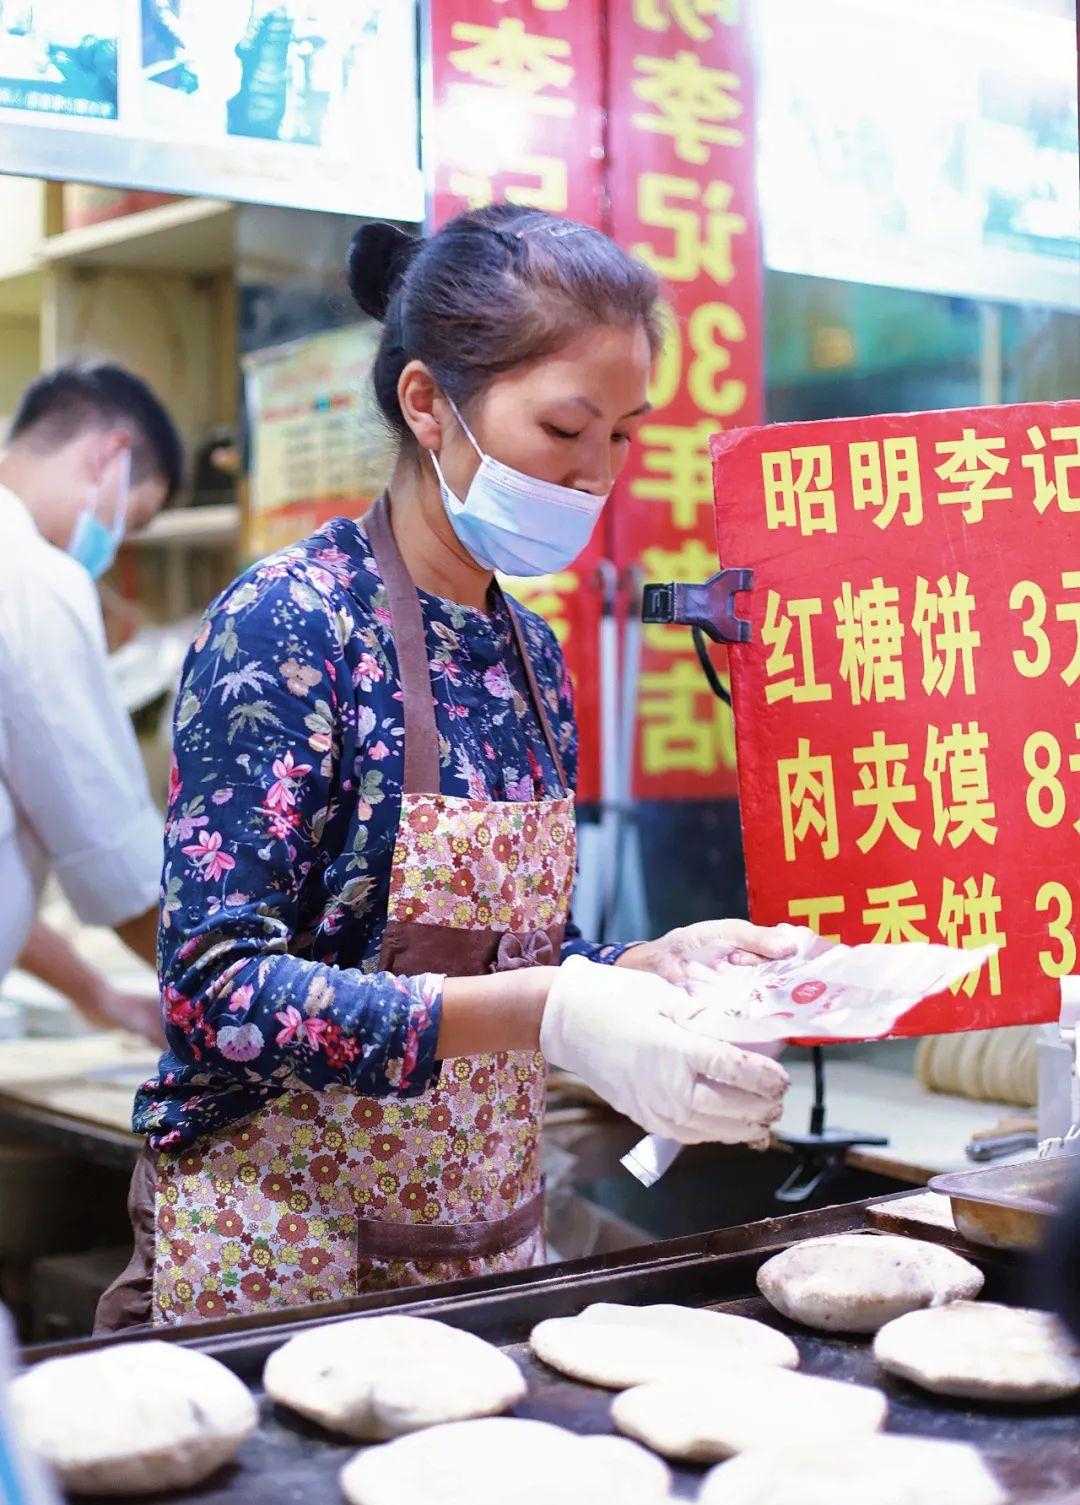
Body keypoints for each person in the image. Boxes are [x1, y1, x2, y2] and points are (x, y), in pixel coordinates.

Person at [97, 207, 792, 1331]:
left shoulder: (528, 655)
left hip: (483, 1260)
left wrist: (645, 965)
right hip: (283, 1262)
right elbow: (213, 989)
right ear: (429, 402)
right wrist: (554, 1006)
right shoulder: (293, 624)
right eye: (567, 428)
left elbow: (498, 958)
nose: (597, 475)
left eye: (623, 435)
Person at [0, 362, 183, 1042]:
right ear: (110, 455)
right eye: (127, 519)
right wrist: (257, 1014)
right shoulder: (33, 577)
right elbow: (108, 847)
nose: (112, 545)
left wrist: (101, 995)